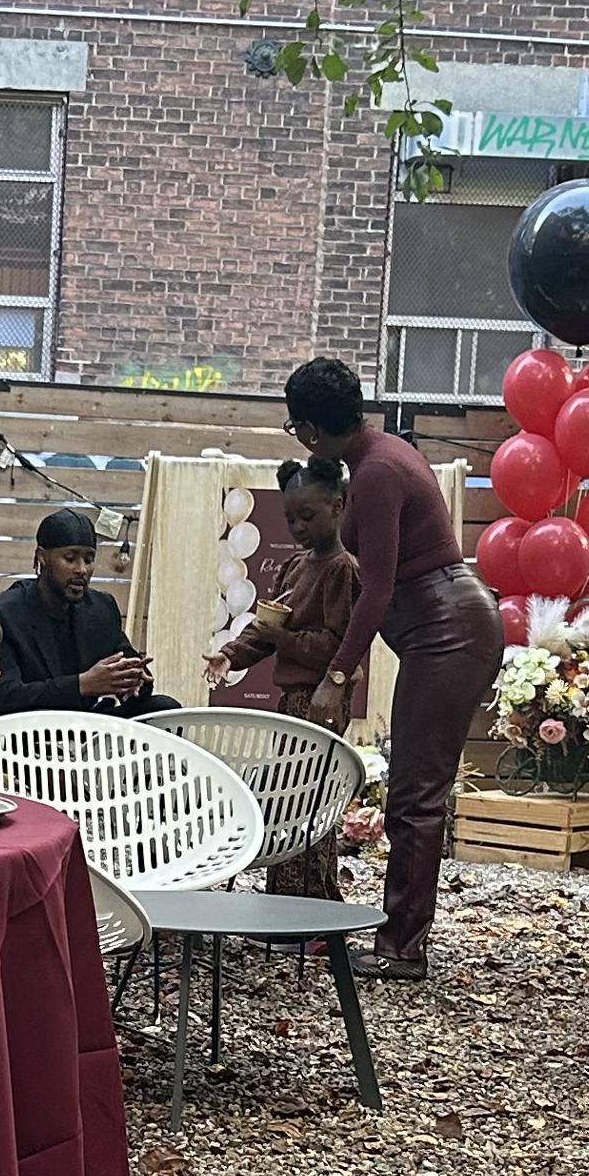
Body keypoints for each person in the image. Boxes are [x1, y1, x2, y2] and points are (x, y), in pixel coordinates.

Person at [285, 353, 500, 979]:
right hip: (446, 627)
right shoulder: (380, 454)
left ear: (309, 430)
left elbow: (376, 589)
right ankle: (399, 937)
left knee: (415, 795)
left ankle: (403, 947)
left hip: (448, 631)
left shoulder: (377, 472)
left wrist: (337, 676)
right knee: (413, 788)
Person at [206, 460, 361, 899]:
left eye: (307, 516)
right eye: (290, 518)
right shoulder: (296, 564)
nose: (297, 527)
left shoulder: (342, 570)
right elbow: (265, 625)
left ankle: (315, 906)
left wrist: (285, 639)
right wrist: (230, 654)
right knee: (288, 797)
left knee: (309, 801)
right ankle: (286, 902)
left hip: (323, 698)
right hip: (293, 697)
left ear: (338, 506)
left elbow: (338, 645)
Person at [0, 506, 165, 717]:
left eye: (89, 559)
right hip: (31, 731)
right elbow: (1, 697)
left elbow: (126, 667)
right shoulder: (4, 613)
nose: (82, 569)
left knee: (163, 707)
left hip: (89, 727)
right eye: (70, 558)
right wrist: (81, 685)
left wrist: (132, 680)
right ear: (42, 557)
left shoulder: (101, 608)